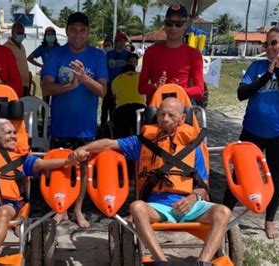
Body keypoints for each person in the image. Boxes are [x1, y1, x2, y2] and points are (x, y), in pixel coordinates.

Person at [74, 97, 231, 263]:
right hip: (159, 208)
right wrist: (82, 149)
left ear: (183, 119)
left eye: (171, 115)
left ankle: (203, 262)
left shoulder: (193, 146)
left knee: (223, 212)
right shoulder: (142, 143)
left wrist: (193, 198)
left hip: (189, 205)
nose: (165, 119)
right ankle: (161, 261)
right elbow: (108, 144)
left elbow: (203, 186)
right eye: (161, 114)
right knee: (137, 207)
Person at [222, 24, 279, 239]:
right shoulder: (257, 66)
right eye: (266, 43)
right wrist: (265, 76)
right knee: (238, 174)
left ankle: (269, 221)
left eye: (273, 43)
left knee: (275, 177)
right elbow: (242, 94)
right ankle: (223, 215)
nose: (269, 47)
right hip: (252, 132)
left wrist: (278, 71)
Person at [0, 118, 76, 262]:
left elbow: (43, 164)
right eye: (8, 133)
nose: (14, 136)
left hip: (6, 204)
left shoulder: (21, 159)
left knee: (3, 213)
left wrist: (69, 161)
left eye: (14, 132)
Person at [41, 12, 108, 227]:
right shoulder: (55, 55)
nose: (78, 34)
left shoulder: (98, 56)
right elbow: (46, 87)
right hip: (61, 124)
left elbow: (102, 91)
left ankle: (78, 209)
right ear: (67, 31)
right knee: (60, 167)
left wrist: (84, 78)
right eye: (73, 30)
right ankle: (60, 207)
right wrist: (68, 86)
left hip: (85, 128)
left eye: (82, 30)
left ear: (87, 32)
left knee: (83, 170)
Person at [138, 3, 204, 105]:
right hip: (156, 110)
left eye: (178, 24)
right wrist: (156, 86)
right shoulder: (151, 52)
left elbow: (200, 90)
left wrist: (176, 91)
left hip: (181, 110)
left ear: (185, 25)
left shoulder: (194, 54)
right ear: (165, 24)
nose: (173, 28)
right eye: (169, 23)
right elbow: (141, 88)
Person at [112, 52, 145, 138]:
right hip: (140, 109)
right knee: (141, 136)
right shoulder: (141, 77)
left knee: (121, 138)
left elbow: (114, 98)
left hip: (122, 110)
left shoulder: (116, 79)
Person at [101, 31, 131, 126]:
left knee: (118, 108)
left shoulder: (128, 55)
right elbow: (103, 69)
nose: (122, 43)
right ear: (116, 42)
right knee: (105, 107)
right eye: (120, 41)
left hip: (121, 86)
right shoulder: (109, 54)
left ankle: (116, 127)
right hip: (109, 84)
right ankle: (103, 127)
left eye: (124, 42)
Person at [28, 26, 60, 103]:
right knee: (45, 99)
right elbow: (29, 58)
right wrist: (41, 66)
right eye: (48, 34)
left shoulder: (58, 48)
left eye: (52, 34)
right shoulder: (42, 48)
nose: (50, 36)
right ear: (45, 36)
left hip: (57, 76)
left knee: (57, 99)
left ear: (55, 36)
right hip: (45, 76)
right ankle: (44, 114)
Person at [4, 23, 31, 96]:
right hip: (13, 86)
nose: (22, 35)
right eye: (19, 33)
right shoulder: (6, 48)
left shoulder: (22, 46)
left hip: (25, 84)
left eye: (23, 33)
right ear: (13, 33)